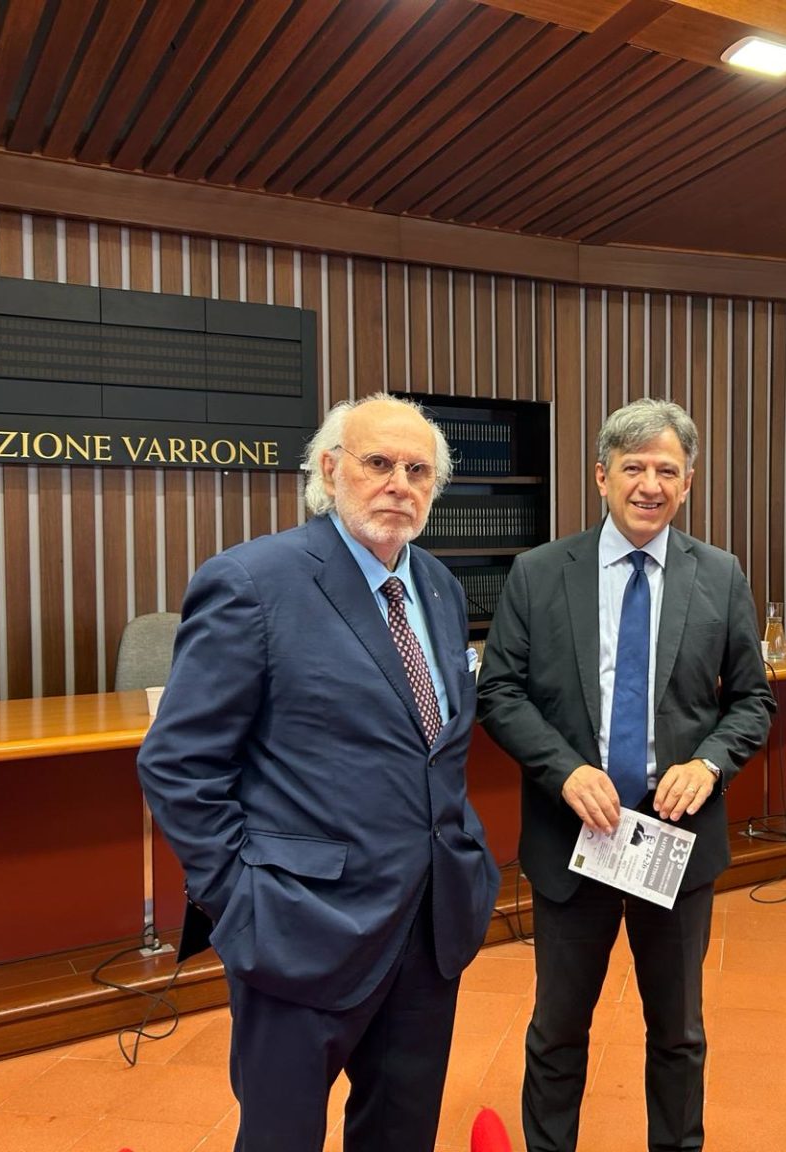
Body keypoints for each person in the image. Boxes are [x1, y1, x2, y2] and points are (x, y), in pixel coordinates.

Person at [138, 393, 500, 1152]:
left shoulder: (438, 586)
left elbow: (433, 746)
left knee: (401, 1132)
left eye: (419, 471)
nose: (399, 484)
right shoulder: (253, 580)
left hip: (430, 924)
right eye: (379, 463)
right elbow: (179, 763)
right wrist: (239, 899)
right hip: (299, 928)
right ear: (330, 470)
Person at [477, 397, 774, 1152]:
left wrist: (709, 763)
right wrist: (564, 770)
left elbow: (752, 701)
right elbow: (499, 691)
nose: (650, 484)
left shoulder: (720, 575)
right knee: (557, 1030)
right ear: (601, 476)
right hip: (573, 838)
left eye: (667, 470)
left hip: (675, 844)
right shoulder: (540, 572)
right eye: (633, 467)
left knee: (678, 1032)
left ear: (689, 482)